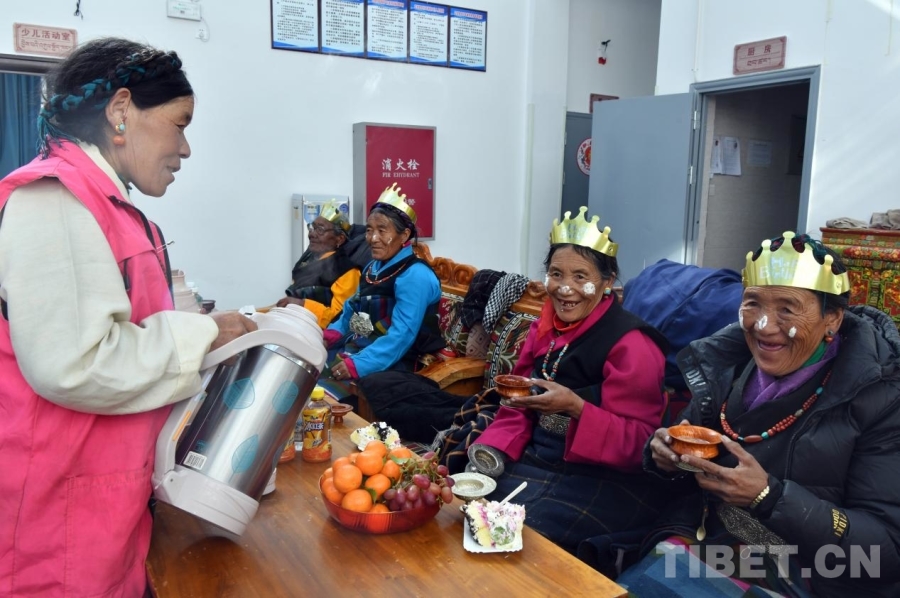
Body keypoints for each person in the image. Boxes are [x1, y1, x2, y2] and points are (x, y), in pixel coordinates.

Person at [0, 38, 256, 597]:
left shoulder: (104, 204)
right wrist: (203, 334)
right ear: (120, 112)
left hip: (99, 502)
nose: (185, 148)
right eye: (179, 124)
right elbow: (73, 362)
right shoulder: (54, 202)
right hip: (58, 523)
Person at [618, 232, 900, 597]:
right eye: (753, 304)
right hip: (707, 532)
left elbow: (885, 550)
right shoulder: (725, 365)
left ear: (832, 318)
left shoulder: (880, 397)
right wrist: (666, 459)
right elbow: (688, 475)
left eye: (787, 309)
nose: (764, 326)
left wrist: (769, 496)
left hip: (812, 569)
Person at [463, 207, 670, 556]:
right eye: (556, 274)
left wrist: (576, 408)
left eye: (580, 276)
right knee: (472, 507)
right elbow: (517, 398)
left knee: (524, 536)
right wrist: (495, 449)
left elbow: (641, 442)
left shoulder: (633, 345)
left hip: (601, 476)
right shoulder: (545, 326)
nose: (565, 288)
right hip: (539, 454)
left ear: (607, 282)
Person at [323, 183, 444, 396]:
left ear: (404, 235)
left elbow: (402, 336)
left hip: (398, 361)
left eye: (382, 230)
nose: (372, 238)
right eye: (369, 230)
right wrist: (333, 334)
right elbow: (353, 307)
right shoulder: (374, 267)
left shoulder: (415, 276)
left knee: (326, 395)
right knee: (308, 371)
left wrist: (358, 364)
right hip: (362, 345)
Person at [275, 201, 361, 328]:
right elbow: (287, 300)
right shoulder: (307, 261)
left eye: (320, 229)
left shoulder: (347, 271)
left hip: (318, 334)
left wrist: (302, 304)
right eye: (312, 227)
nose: (311, 234)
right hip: (291, 323)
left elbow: (341, 318)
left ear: (340, 239)